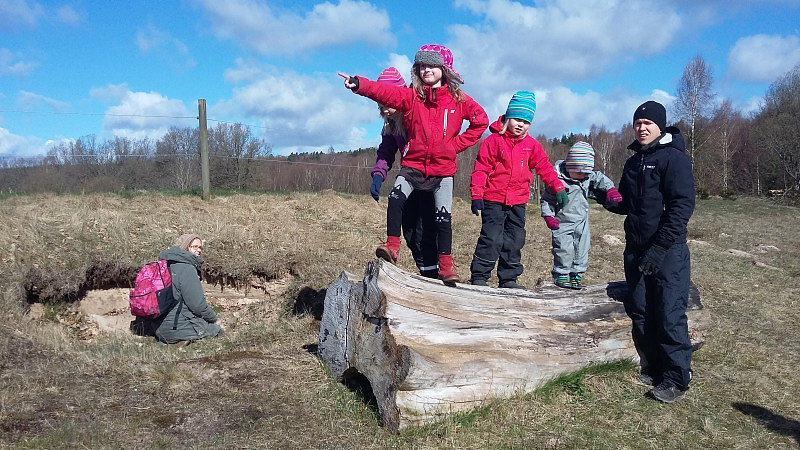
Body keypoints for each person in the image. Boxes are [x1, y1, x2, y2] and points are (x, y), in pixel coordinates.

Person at [339, 44, 489, 283]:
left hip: (440, 172)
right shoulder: (407, 102)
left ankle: (442, 268)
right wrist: (359, 84)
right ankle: (395, 248)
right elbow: (384, 100)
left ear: (445, 68)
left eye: (432, 65)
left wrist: (454, 145)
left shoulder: (455, 100)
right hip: (413, 169)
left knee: (438, 222)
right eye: (422, 65)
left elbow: (481, 121)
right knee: (400, 208)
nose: (426, 69)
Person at [607, 100, 696, 403]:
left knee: (670, 313)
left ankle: (677, 377)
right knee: (642, 310)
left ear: (660, 126)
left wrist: (660, 247)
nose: (642, 128)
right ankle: (655, 366)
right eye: (637, 123)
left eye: (647, 124)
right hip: (636, 248)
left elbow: (681, 207)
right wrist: (605, 196)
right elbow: (625, 204)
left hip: (668, 251)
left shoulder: (674, 159)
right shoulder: (633, 162)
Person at [469, 91, 567, 289]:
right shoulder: (493, 141)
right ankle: (480, 276)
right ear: (507, 117)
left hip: (518, 201)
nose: (520, 124)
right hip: (493, 199)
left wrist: (557, 186)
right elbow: (481, 169)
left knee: (514, 240)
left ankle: (509, 278)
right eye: (517, 119)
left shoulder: (532, 146)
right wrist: (477, 195)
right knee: (491, 238)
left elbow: (545, 167)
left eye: (526, 121)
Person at [370, 67, 439, 278]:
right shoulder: (390, 126)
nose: (386, 108)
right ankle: (426, 272)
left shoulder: (415, 115)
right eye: (382, 104)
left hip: (429, 178)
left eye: (389, 102)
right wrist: (378, 174)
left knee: (425, 229)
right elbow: (386, 151)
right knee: (409, 229)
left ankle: (433, 274)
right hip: (408, 176)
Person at [541, 141, 623, 289]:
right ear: (570, 166)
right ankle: (562, 274)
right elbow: (547, 200)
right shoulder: (557, 182)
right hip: (562, 223)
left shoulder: (586, 176)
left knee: (582, 249)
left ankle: (576, 274)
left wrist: (611, 189)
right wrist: (548, 216)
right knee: (563, 249)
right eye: (580, 172)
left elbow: (599, 177)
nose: (583, 176)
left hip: (582, 222)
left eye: (586, 173)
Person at [155, 233, 223, 344]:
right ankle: (181, 340)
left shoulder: (165, 264)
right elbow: (197, 305)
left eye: (200, 247)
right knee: (218, 331)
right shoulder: (187, 268)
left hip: (157, 326)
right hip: (176, 326)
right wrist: (214, 318)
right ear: (185, 246)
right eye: (195, 246)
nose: (199, 250)